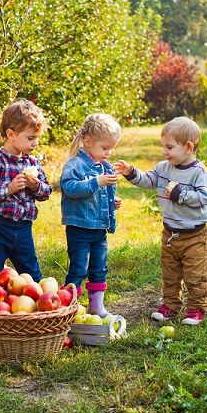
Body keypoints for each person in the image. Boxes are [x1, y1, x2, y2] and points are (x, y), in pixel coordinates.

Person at [115, 116, 207, 325]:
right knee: (170, 273)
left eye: (169, 147)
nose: (164, 152)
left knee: (195, 275)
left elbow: (205, 198)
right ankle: (170, 305)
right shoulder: (163, 168)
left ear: (188, 147)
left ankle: (197, 308)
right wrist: (131, 173)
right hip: (169, 234)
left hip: (194, 235)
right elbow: (148, 180)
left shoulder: (199, 172)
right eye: (164, 146)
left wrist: (181, 194)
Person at [0, 99, 52, 285]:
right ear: (11, 134)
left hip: (24, 228)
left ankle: (34, 310)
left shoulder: (32, 163)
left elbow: (46, 191)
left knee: (32, 275)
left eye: (37, 138)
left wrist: (36, 186)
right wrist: (8, 189)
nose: (35, 143)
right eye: (30, 138)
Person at [60, 114, 123, 317]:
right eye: (105, 148)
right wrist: (97, 182)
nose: (109, 152)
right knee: (79, 267)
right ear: (88, 142)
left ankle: (97, 306)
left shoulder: (105, 166)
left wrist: (111, 202)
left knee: (99, 267)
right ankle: (70, 307)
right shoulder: (75, 165)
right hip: (79, 228)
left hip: (99, 228)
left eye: (111, 148)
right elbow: (69, 188)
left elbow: (99, 196)